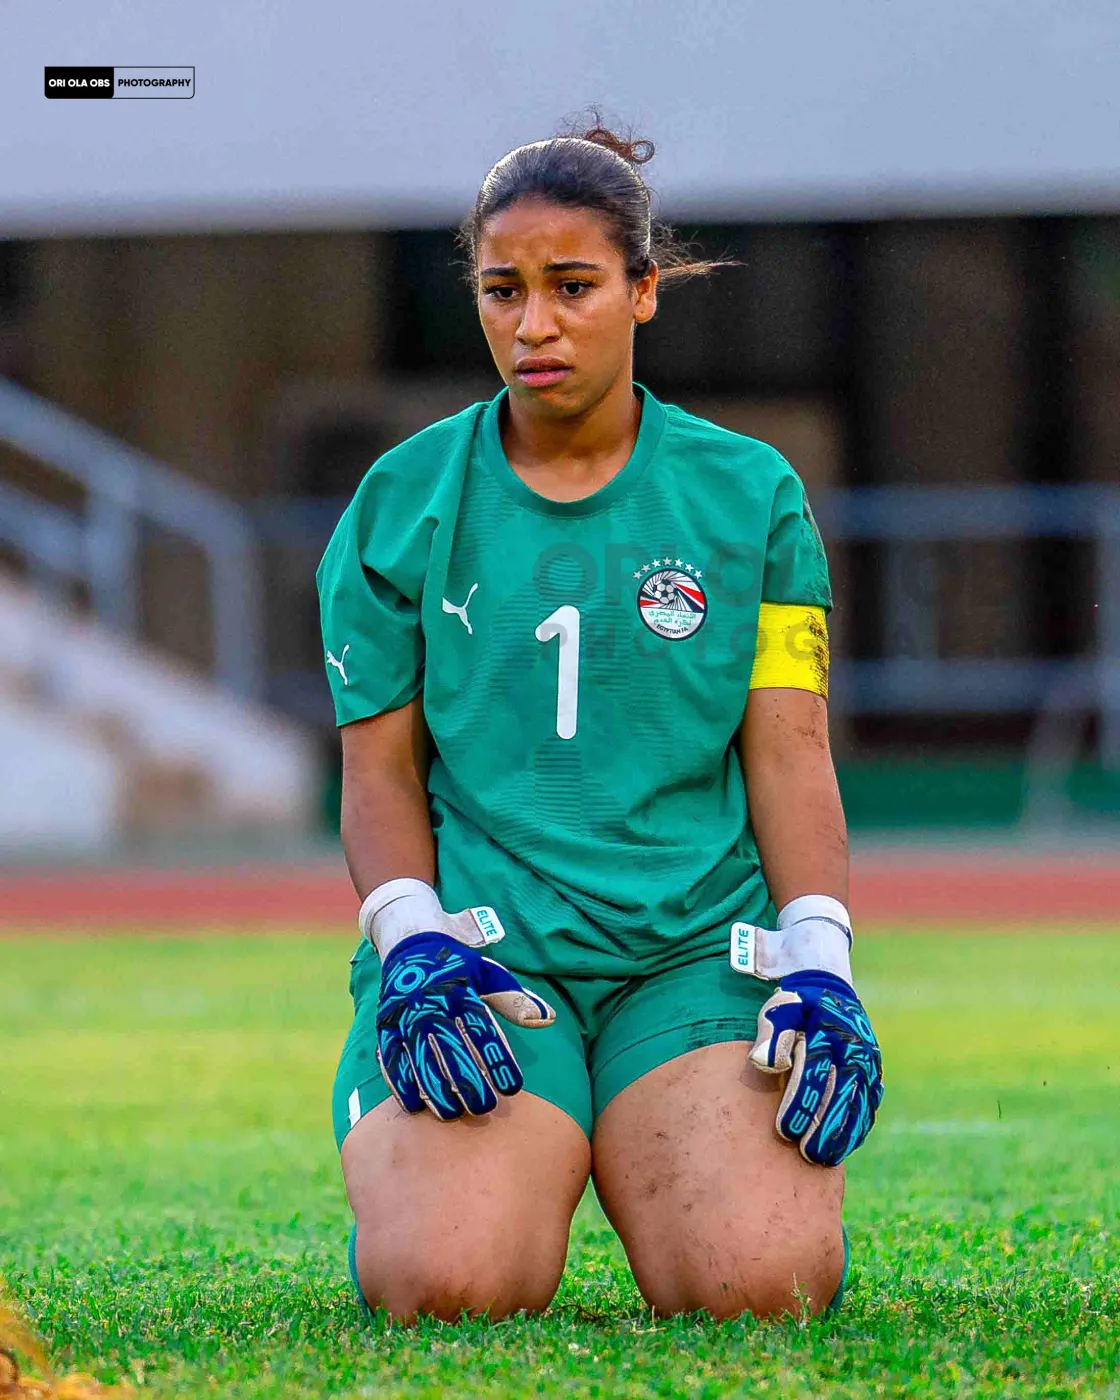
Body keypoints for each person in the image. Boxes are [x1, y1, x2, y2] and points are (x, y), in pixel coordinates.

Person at [317, 119, 883, 1325]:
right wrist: (411, 938)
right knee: (448, 1280)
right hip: (483, 947)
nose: (533, 325)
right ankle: (462, 1161)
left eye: (571, 286)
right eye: (501, 290)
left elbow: (788, 753)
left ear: (643, 289)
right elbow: (377, 773)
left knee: (759, 1284)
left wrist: (820, 957)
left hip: (688, 947)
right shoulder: (400, 500)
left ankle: (641, 1128)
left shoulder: (749, 493)